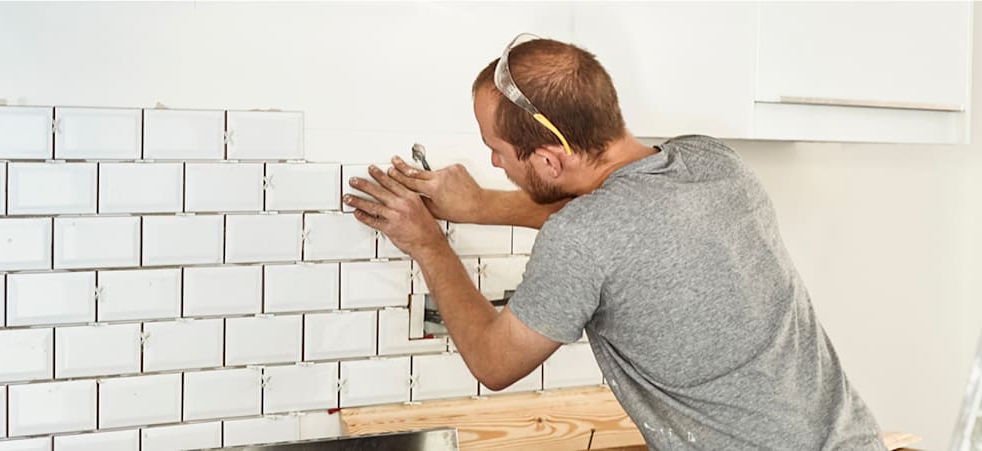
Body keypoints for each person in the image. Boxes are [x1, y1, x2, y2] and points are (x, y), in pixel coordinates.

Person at [344, 34, 886, 450]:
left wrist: (427, 243)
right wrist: (481, 205)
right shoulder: (714, 162)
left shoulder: (581, 239)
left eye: (499, 151)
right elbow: (613, 219)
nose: (493, 162)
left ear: (549, 159)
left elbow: (494, 362)